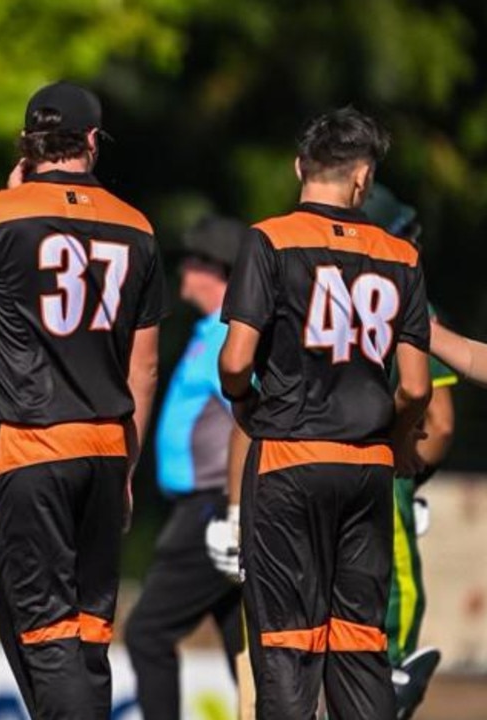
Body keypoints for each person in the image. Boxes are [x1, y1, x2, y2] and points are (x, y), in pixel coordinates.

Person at [0, 81, 165, 718]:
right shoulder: (137, 226)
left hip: (31, 446)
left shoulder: (0, 214)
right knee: (89, 637)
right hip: (108, 447)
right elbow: (144, 366)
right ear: (91, 142)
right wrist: (128, 465)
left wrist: (7, 202)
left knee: (49, 636)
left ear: (28, 146)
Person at [218, 107, 431, 719]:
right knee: (360, 644)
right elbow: (415, 387)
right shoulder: (401, 256)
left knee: (288, 644)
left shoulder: (269, 239)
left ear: (298, 168)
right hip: (366, 465)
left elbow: (235, 362)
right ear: (362, 178)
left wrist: (250, 405)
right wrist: (387, 441)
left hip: (288, 456)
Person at [125, 216, 246, 720]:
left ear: (217, 270)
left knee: (147, 633)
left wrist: (236, 511)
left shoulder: (227, 336)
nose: (183, 269)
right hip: (204, 505)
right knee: (242, 645)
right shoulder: (209, 331)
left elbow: (249, 417)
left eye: (194, 260)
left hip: (212, 508)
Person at [361, 185, 457, 718]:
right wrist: (408, 472)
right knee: (391, 612)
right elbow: (439, 421)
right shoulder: (409, 296)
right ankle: (392, 680)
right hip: (383, 468)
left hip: (306, 467)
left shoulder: (306, 284)